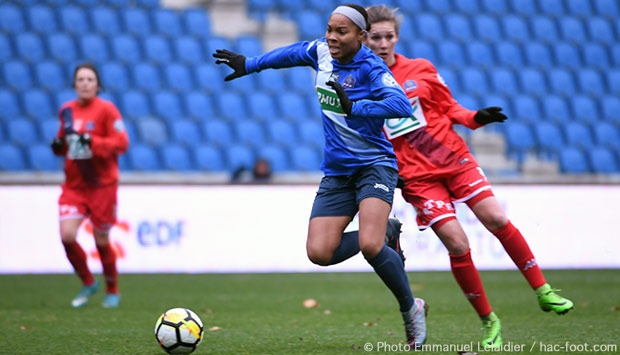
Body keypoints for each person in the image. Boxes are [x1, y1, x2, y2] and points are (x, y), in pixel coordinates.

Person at [214, 3, 427, 349]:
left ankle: (410, 309)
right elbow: (291, 53)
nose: (331, 36)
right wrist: (250, 64)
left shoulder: (371, 68)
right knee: (320, 252)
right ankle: (387, 229)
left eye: (341, 32)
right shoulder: (321, 52)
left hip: (375, 164)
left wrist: (356, 107)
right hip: (338, 171)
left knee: (371, 247)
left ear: (361, 36)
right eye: (329, 28)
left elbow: (400, 104)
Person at [364, 5, 574, 349]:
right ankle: (489, 322)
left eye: (389, 36)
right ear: (365, 39)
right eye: (376, 37)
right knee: (458, 244)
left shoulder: (421, 69)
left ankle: (544, 291)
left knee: (495, 217)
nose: (384, 43)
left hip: (454, 159)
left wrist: (476, 117)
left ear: (397, 36)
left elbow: (450, 108)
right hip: (417, 178)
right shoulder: (360, 84)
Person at [50, 63, 130, 308]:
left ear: (97, 85)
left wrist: (92, 141)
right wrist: (58, 146)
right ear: (74, 84)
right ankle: (87, 281)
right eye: (81, 79)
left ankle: (112, 290)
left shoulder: (107, 110)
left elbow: (121, 143)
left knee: (101, 240)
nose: (85, 83)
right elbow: (65, 145)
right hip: (75, 186)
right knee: (67, 235)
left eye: (90, 79)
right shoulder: (67, 111)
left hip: (102, 185)